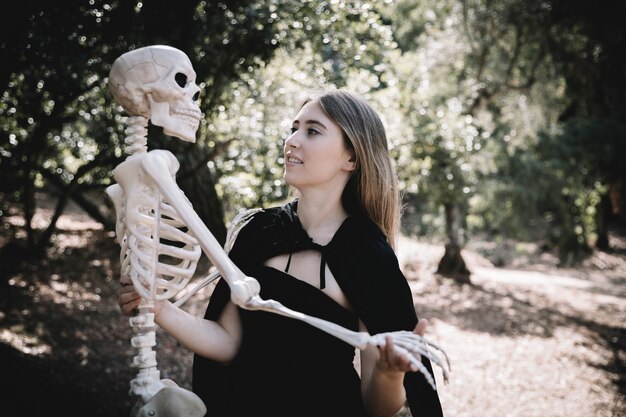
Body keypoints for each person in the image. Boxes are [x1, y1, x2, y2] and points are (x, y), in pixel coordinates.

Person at [119, 89, 444, 417]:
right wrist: (159, 308)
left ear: (352, 158)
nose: (292, 140)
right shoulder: (260, 231)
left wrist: (390, 375)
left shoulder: (368, 255)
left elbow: (377, 407)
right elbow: (229, 342)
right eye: (294, 128)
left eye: (312, 131)